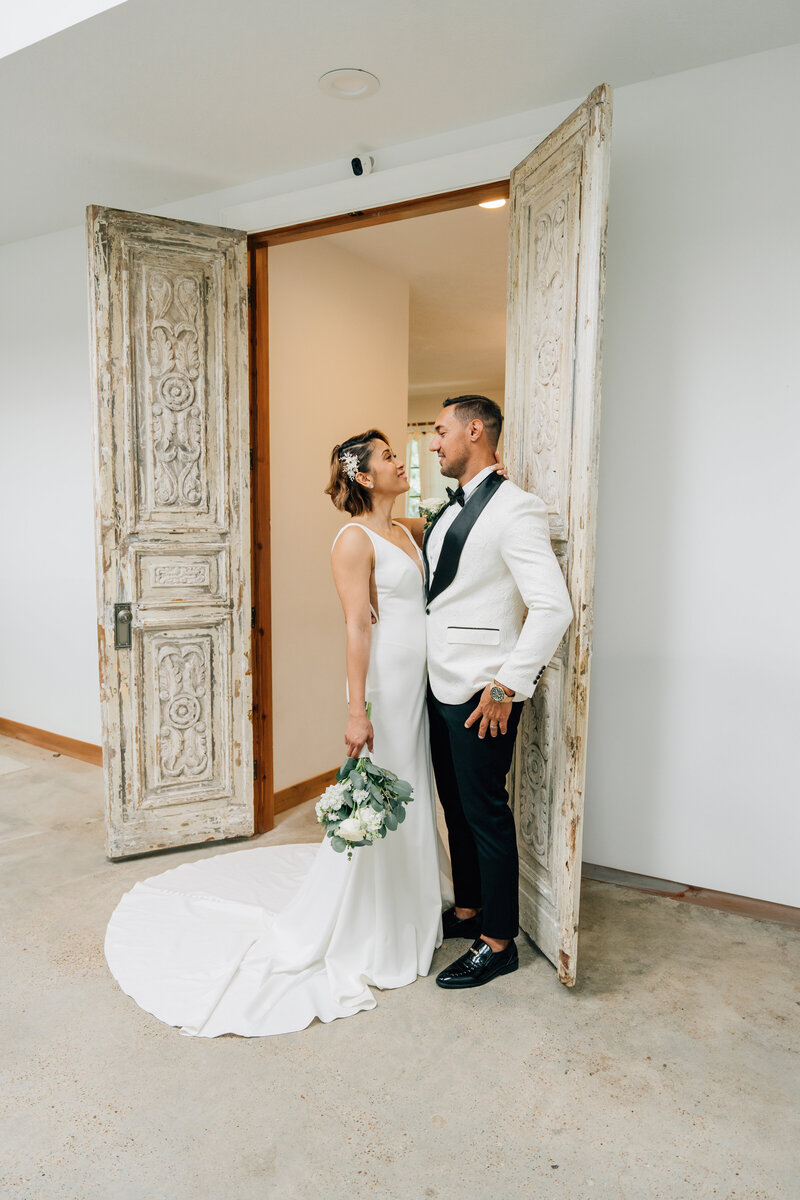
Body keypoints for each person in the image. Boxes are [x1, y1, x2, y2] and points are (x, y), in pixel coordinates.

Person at [103, 428, 450, 1037]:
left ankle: (413, 908)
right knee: (387, 787)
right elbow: (356, 628)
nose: (400, 462)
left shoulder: (407, 530)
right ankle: (374, 922)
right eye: (389, 457)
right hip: (388, 683)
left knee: (414, 788)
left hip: (419, 680)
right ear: (364, 475)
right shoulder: (352, 539)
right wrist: (356, 708)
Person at [422, 396, 573, 989]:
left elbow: (552, 606)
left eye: (440, 431)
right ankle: (469, 909)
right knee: (453, 808)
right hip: (440, 681)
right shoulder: (456, 507)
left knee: (485, 813)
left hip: (484, 691)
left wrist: (508, 684)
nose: (434, 443)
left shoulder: (515, 510)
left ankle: (499, 940)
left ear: (474, 431)